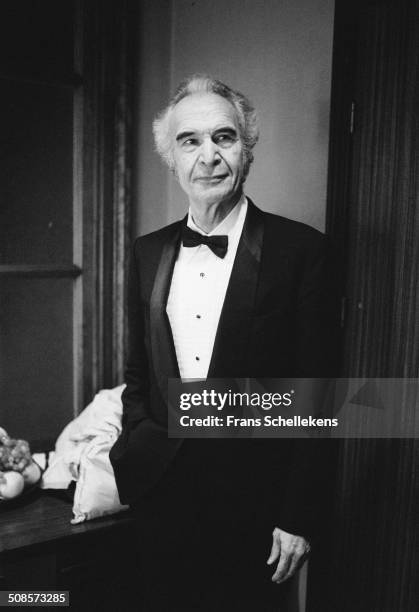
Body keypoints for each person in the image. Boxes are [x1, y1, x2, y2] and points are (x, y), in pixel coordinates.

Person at [110, 75, 339, 611]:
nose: (208, 156)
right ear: (171, 156)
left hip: (253, 503)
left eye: (224, 137)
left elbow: (316, 394)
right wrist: (137, 449)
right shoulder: (146, 251)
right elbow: (137, 371)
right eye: (190, 141)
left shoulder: (301, 251)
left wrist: (297, 515)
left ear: (246, 148)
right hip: (160, 491)